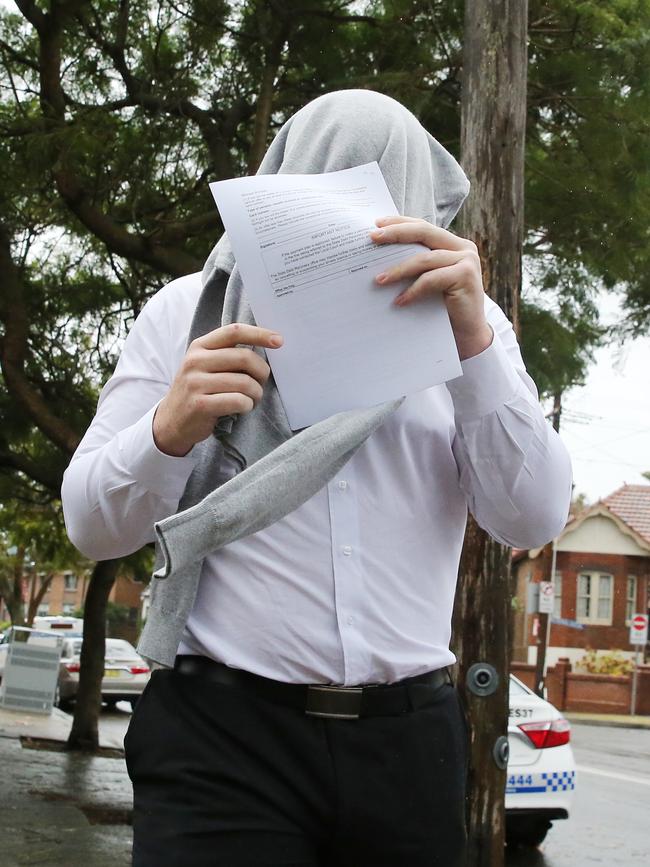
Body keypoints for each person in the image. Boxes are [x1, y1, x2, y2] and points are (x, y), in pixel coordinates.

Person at [62, 90, 572, 867]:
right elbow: (91, 524)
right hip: (222, 739)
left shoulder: (475, 327)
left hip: (409, 743)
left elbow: (532, 519)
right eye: (323, 184)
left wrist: (471, 344)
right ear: (282, 183)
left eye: (374, 188)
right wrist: (166, 432)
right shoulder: (186, 314)